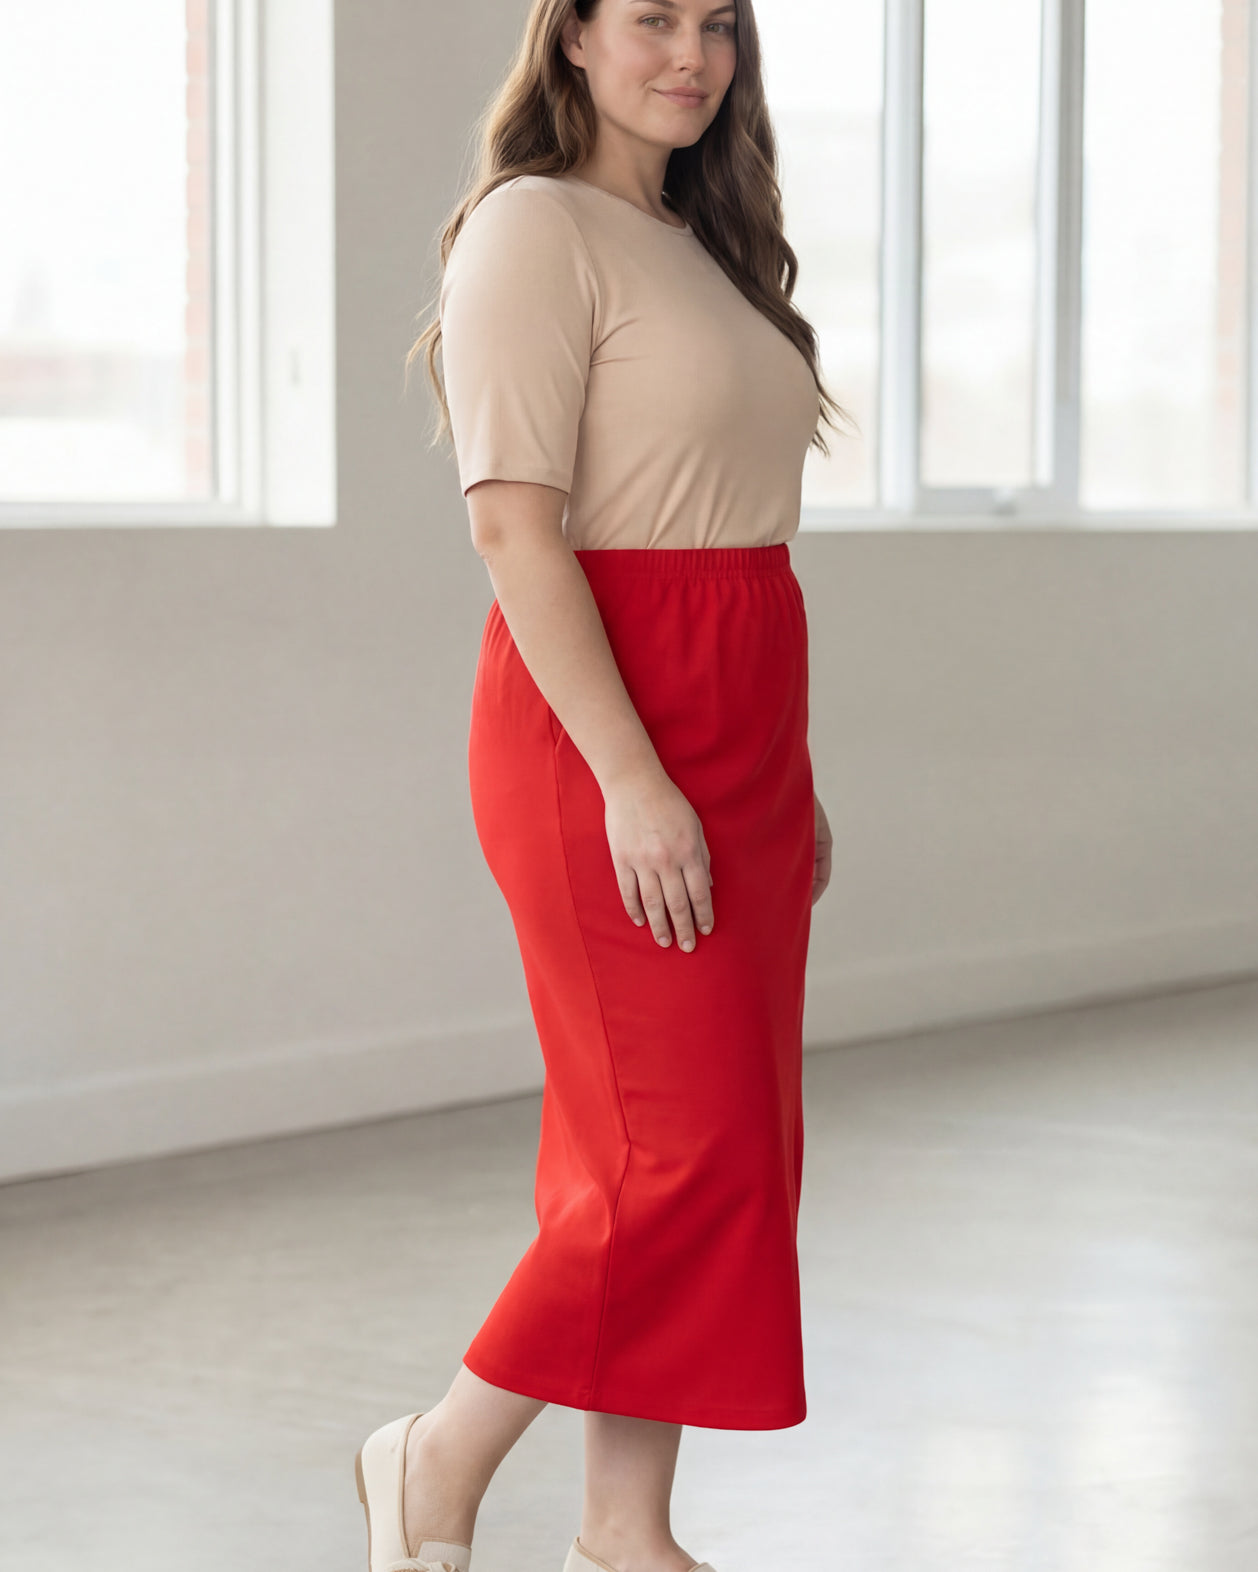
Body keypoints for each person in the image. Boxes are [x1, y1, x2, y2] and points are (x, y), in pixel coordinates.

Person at [357, 2, 853, 1569]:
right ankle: (433, 1457)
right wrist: (633, 780)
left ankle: (624, 1530)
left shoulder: (698, 238)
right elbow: (515, 528)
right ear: (569, 36)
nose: (690, 53)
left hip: (739, 720)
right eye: (651, 17)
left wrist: (787, 774)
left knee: (712, 1149)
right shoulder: (529, 229)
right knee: (674, 1156)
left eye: (717, 22)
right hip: (603, 723)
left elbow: (738, 547)